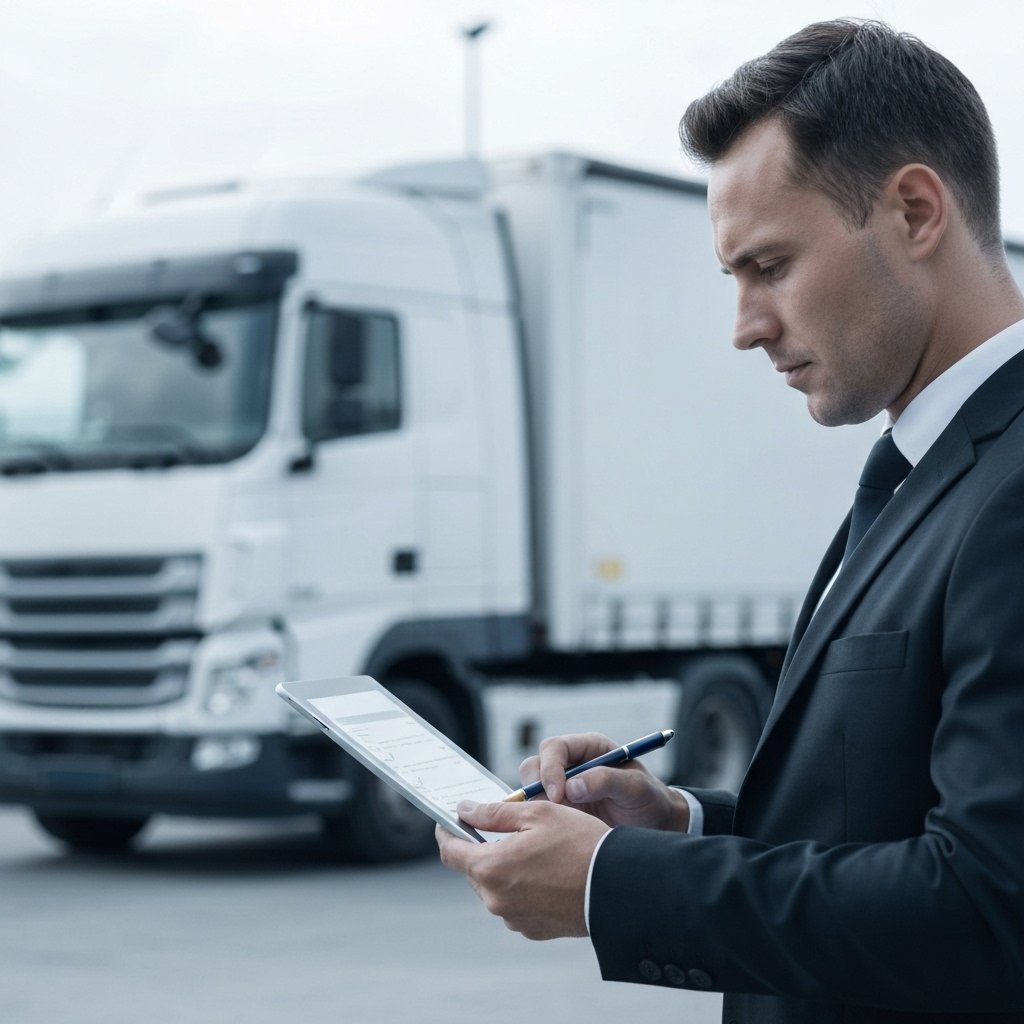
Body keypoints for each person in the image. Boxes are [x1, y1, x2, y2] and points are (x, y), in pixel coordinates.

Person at [436, 18, 1024, 1023]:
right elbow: (885, 825)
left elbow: (987, 909)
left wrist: (609, 885)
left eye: (771, 265)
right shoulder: (921, 469)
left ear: (915, 210)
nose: (745, 326)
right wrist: (677, 824)